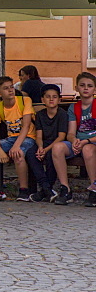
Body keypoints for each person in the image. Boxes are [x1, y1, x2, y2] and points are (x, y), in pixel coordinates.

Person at [0, 76, 37, 202]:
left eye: (11, 87)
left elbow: (26, 126)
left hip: (27, 138)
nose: (10, 90)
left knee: (17, 152)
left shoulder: (25, 101)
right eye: (6, 88)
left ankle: (23, 190)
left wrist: (16, 146)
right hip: (10, 139)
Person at [49, 72, 96, 206]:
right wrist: (74, 140)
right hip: (78, 142)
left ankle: (94, 189)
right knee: (58, 147)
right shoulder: (74, 107)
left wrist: (86, 141)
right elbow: (70, 132)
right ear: (76, 88)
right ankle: (66, 189)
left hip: (91, 142)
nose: (86, 88)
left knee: (87, 149)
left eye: (89, 86)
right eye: (82, 85)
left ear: (94, 89)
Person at [24, 83, 69, 202]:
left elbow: (61, 136)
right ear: (42, 100)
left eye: (54, 97)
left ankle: (45, 191)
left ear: (59, 99)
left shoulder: (62, 114)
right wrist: (40, 147)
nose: (51, 99)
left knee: (51, 155)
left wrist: (46, 149)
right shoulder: (40, 114)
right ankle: (46, 188)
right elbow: (39, 135)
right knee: (30, 153)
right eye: (48, 97)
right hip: (43, 143)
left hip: (57, 144)